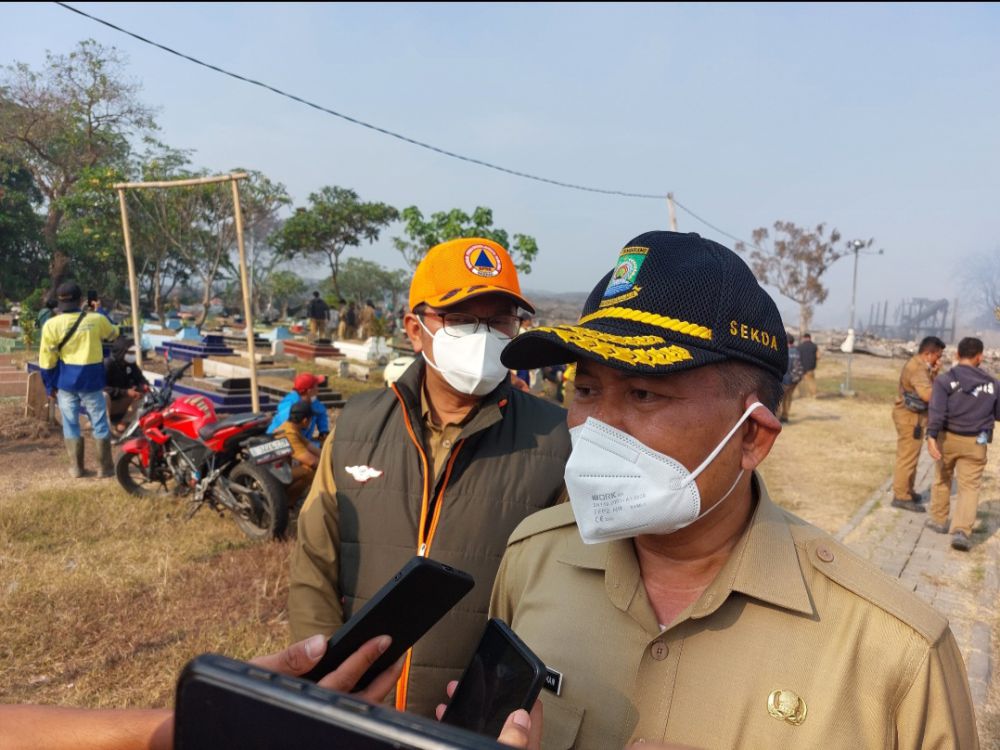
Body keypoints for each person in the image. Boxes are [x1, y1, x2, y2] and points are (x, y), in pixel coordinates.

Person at [491, 231, 978, 749]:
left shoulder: (894, 653)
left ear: (751, 436)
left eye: (643, 393)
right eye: (586, 390)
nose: (598, 427)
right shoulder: (533, 559)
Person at [288, 237, 571, 718]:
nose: (483, 337)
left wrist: (497, 704)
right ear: (414, 330)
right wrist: (325, 675)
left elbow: (560, 595)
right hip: (356, 705)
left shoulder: (555, 439)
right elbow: (315, 560)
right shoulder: (357, 425)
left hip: (468, 718)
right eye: (461, 320)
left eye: (499, 321)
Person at [925, 336, 1000, 552]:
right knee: (970, 486)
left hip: (947, 438)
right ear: (980, 357)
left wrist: (931, 436)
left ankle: (939, 520)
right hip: (977, 440)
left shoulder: (944, 381)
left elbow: (937, 411)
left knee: (942, 478)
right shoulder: (993, 384)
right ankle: (961, 531)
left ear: (957, 355)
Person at [40, 282, 119, 478]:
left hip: (66, 382)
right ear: (81, 299)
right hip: (91, 380)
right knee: (99, 422)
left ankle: (76, 468)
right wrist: (99, 310)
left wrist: (50, 385)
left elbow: (46, 360)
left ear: (59, 301)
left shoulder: (51, 324)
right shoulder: (96, 319)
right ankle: (105, 468)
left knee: (70, 423)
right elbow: (113, 333)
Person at [891, 335, 946, 511]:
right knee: (907, 457)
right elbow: (927, 395)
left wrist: (935, 372)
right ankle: (901, 495)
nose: (939, 359)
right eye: (938, 355)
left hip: (913, 417)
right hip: (909, 418)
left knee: (912, 456)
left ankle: (908, 489)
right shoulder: (917, 369)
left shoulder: (922, 366)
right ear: (928, 353)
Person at [273, 399, 321, 507]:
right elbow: (312, 461)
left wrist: (330, 457)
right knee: (310, 470)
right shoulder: (289, 434)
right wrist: (331, 467)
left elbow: (311, 448)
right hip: (276, 475)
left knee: (308, 465)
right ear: (305, 421)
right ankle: (287, 502)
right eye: (310, 419)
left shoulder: (290, 427)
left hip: (281, 469)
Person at [266, 372, 330, 445]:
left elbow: (321, 412)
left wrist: (323, 430)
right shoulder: (291, 407)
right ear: (309, 391)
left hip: (301, 440)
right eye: (316, 386)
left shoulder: (311, 400)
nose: (318, 390)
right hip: (280, 442)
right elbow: (288, 433)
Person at [103, 336, 149, 433]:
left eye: (133, 353)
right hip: (108, 404)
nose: (133, 355)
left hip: (123, 402)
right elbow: (101, 387)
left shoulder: (131, 364)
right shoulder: (108, 364)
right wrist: (125, 392)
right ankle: (106, 429)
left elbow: (141, 379)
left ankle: (124, 423)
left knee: (142, 396)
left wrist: (144, 385)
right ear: (121, 352)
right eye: (130, 353)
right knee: (103, 395)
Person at [779, 333, 803, 423]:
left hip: (784, 380)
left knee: (779, 399)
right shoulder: (796, 351)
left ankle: (777, 417)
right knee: (788, 398)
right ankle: (785, 416)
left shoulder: (783, 351)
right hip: (794, 380)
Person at [797, 332, 819, 397]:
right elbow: (818, 356)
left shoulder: (799, 347)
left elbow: (797, 357)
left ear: (804, 338)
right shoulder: (814, 346)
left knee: (801, 382)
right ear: (810, 338)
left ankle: (802, 394)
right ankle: (814, 394)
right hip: (811, 368)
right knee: (811, 381)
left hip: (802, 367)